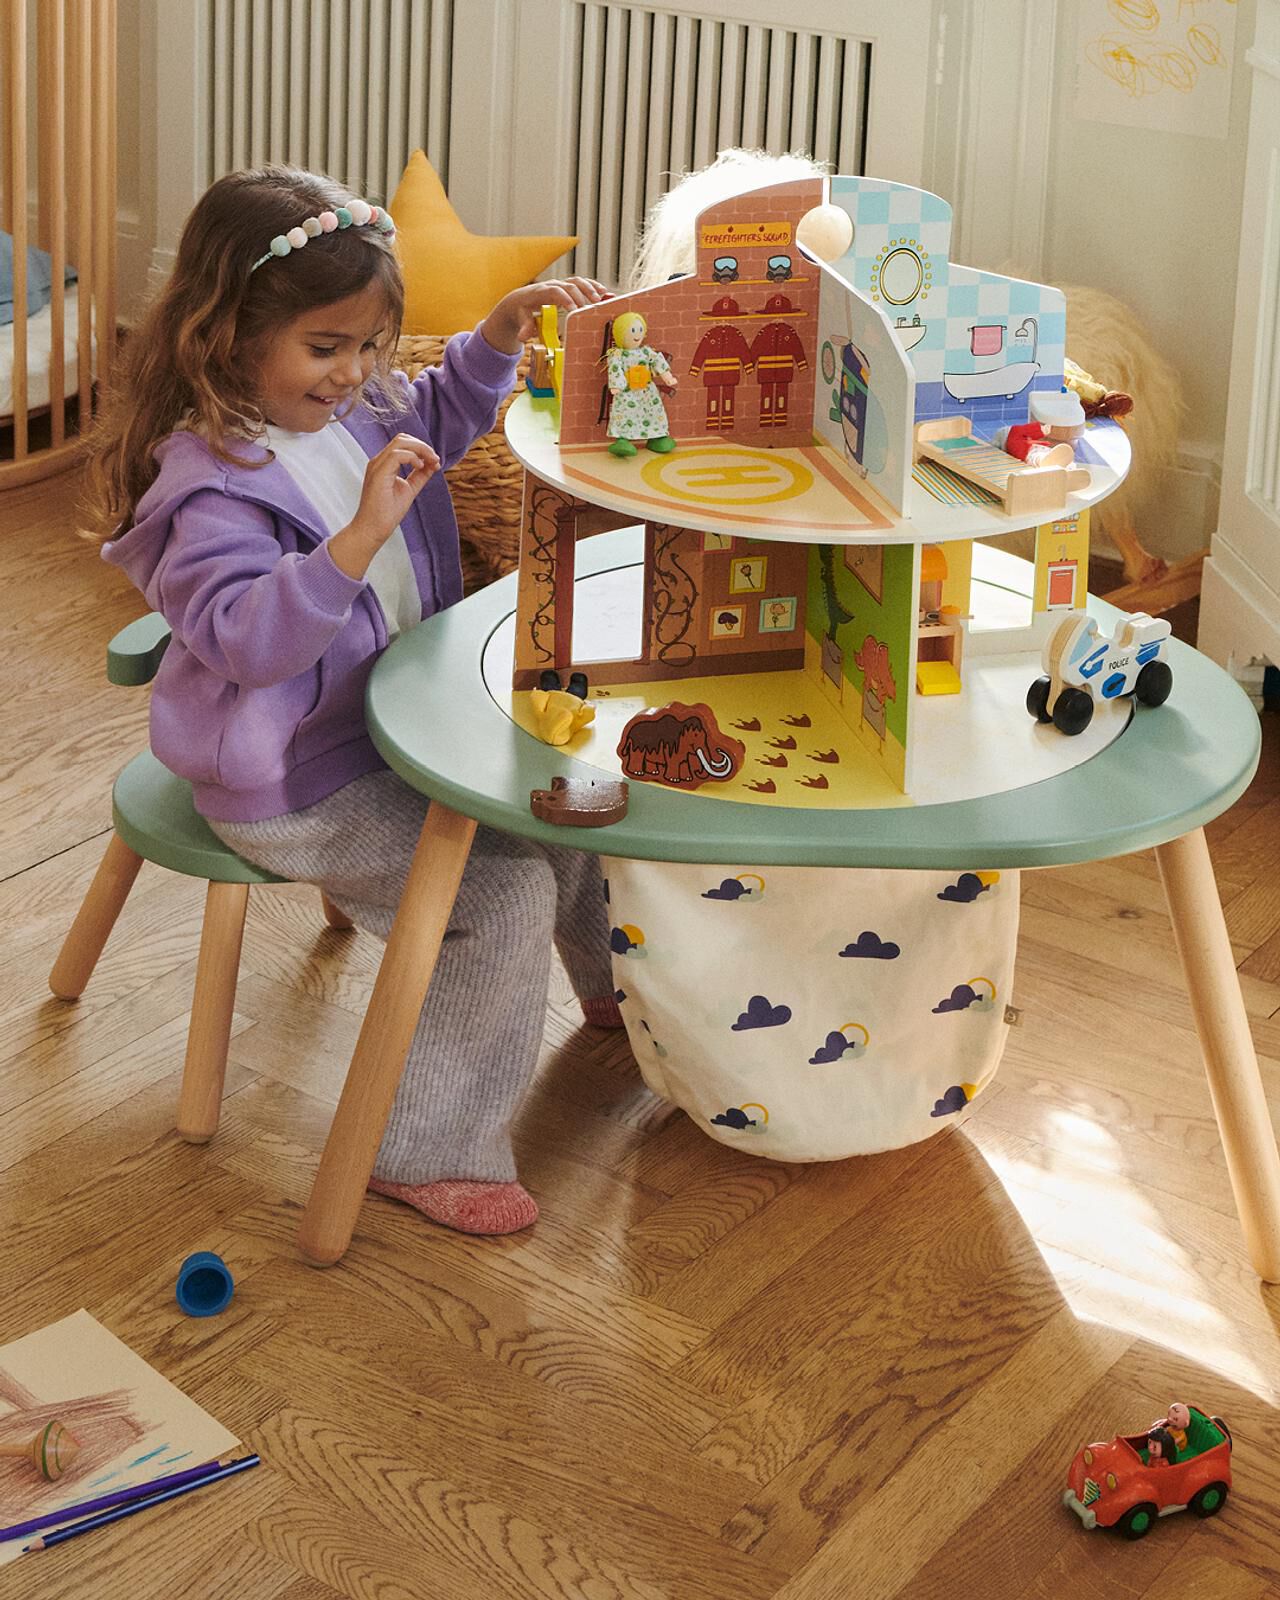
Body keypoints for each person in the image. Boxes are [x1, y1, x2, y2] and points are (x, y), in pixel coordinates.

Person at [83, 165, 618, 1236]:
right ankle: (420, 1144)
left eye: (369, 346)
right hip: (291, 777)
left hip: (392, 728)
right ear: (226, 334)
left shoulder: (347, 409)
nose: (355, 374)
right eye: (326, 348)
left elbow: (434, 416)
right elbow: (246, 638)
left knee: (566, 801)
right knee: (496, 896)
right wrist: (358, 539)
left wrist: (499, 338)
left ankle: (620, 991)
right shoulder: (207, 485)